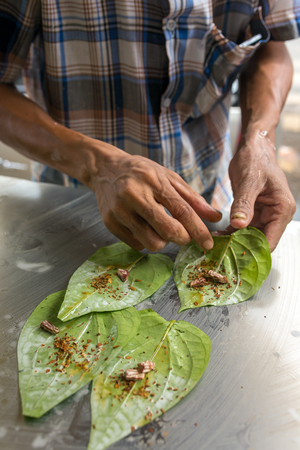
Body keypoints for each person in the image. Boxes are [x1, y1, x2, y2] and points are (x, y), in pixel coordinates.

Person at [0, 0, 298, 253]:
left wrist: (259, 140)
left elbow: (270, 49)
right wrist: (97, 164)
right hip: (74, 207)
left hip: (211, 202)